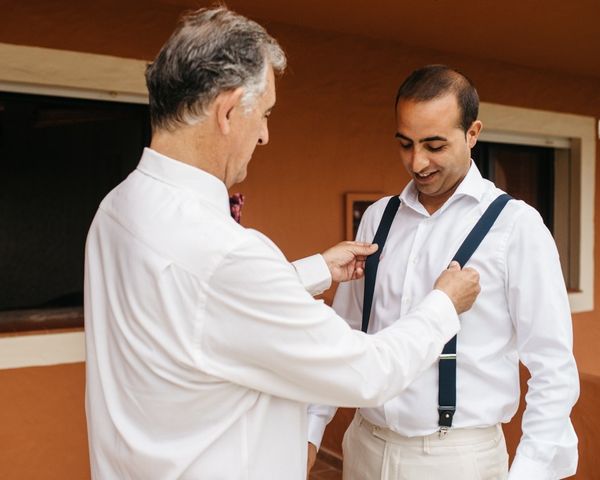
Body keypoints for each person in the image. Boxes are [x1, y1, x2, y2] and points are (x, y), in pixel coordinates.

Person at [83, 10, 482, 480]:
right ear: (229, 112)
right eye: (265, 113)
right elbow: (368, 372)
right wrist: (442, 305)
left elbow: (193, 309)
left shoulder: (117, 209)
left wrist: (314, 270)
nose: (266, 134)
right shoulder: (225, 254)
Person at [307, 65, 579, 480]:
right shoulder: (378, 218)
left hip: (457, 459)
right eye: (405, 144)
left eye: (434, 145)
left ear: (472, 133)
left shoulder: (516, 226)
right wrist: (310, 433)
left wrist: (530, 472)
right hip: (364, 445)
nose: (417, 162)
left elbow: (552, 366)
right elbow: (343, 334)